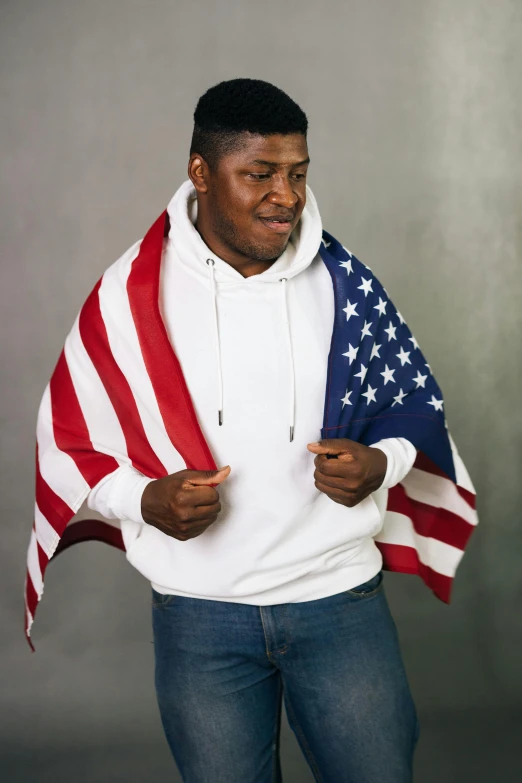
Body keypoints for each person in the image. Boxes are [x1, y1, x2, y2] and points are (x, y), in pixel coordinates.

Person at [26, 78, 478, 782]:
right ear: (201, 172)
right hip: (200, 616)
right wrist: (144, 501)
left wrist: (381, 464)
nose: (287, 195)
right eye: (259, 174)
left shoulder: (343, 281)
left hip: (338, 602)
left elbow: (411, 402)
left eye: (297, 173)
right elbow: (72, 440)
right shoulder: (130, 295)